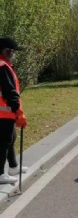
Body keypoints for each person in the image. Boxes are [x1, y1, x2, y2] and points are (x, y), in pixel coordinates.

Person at [0, 37, 28, 184]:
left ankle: (13, 166)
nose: (14, 54)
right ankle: (0, 174)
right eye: (13, 51)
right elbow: (9, 92)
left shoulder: (4, 65)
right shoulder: (3, 66)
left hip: (4, 112)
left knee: (11, 138)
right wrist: (18, 112)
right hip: (4, 112)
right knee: (4, 141)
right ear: (6, 51)